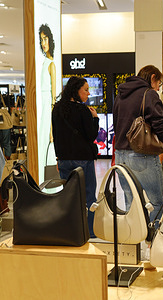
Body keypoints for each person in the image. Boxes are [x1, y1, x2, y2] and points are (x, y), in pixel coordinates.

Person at [113, 65, 163, 222]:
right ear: (152, 78)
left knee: (131, 203)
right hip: (141, 155)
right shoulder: (149, 94)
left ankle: (133, 242)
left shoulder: (120, 94)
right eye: (159, 83)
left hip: (120, 155)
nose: (159, 89)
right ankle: (153, 241)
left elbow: (116, 121)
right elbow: (159, 122)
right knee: (158, 202)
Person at [52, 76, 99, 238]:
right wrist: (96, 119)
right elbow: (91, 135)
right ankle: (90, 232)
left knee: (69, 195)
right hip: (83, 158)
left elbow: (56, 135)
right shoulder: (83, 110)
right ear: (76, 90)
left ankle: (71, 230)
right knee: (88, 196)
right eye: (85, 89)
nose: (88, 93)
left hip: (64, 159)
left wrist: (58, 158)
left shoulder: (57, 109)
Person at [39, 24, 57, 182]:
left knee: (46, 143)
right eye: (41, 39)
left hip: (46, 109)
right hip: (41, 107)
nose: (43, 43)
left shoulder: (51, 64)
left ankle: (47, 181)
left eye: (45, 39)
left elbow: (53, 99)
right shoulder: (44, 63)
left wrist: (52, 128)